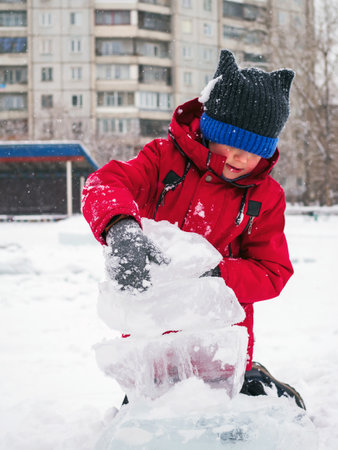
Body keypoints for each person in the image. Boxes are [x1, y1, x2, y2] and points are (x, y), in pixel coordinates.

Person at [82, 49, 305, 409]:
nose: (241, 158)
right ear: (211, 126)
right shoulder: (162, 161)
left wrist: (217, 273)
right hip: (153, 340)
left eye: (255, 149)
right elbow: (104, 184)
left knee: (219, 422)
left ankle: (252, 379)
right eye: (232, 141)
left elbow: (273, 271)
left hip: (220, 346)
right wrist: (120, 227)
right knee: (152, 423)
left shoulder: (265, 197)